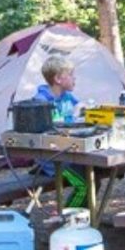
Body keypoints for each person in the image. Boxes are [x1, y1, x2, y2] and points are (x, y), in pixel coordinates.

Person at [32, 55, 87, 208]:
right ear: (58, 79)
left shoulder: (67, 97)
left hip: (69, 155)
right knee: (83, 185)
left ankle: (84, 218)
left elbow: (79, 109)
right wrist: (74, 117)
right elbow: (46, 132)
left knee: (93, 178)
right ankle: (68, 219)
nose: (74, 78)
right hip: (53, 161)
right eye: (70, 75)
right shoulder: (41, 101)